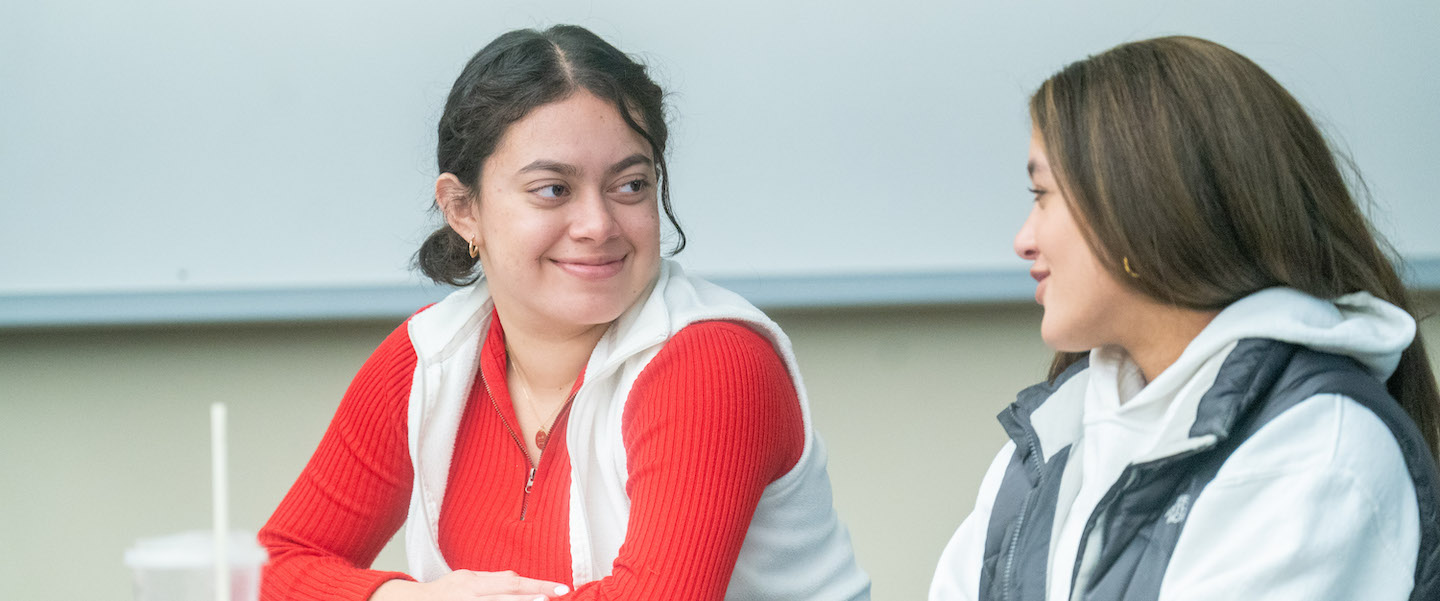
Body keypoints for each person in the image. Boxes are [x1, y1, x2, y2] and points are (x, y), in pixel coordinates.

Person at [259, 25, 869, 601]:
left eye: (630, 185)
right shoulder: (429, 358)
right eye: (553, 189)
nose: (598, 225)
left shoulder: (714, 360)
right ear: (462, 209)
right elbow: (276, 568)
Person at [930, 36, 1439, 601]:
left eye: (1042, 194)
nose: (1023, 241)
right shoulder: (1048, 440)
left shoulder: (1319, 454)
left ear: (1140, 203)